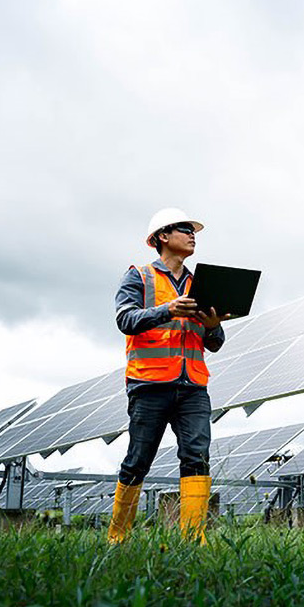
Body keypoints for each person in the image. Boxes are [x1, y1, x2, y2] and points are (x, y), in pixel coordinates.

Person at [107, 208, 232, 545]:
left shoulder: (200, 283)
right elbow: (125, 320)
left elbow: (215, 342)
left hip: (192, 385)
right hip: (150, 383)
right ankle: (118, 537)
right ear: (163, 236)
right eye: (184, 229)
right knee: (138, 460)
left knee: (197, 455)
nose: (193, 235)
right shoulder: (140, 276)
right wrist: (168, 309)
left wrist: (212, 325)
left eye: (194, 231)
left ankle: (194, 539)